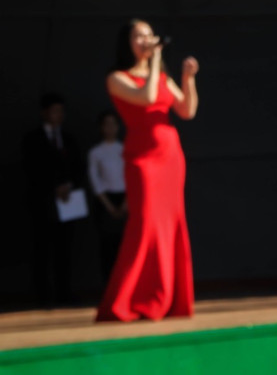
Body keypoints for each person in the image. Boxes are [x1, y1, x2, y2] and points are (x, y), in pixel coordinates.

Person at [96, 19, 199, 322]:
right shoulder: (117, 78)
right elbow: (147, 98)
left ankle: (168, 297)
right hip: (143, 157)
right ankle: (129, 299)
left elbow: (187, 110)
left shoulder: (162, 76)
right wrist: (154, 62)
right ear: (126, 43)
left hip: (170, 157)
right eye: (138, 36)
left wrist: (187, 78)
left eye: (148, 35)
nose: (145, 40)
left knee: (171, 224)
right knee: (145, 225)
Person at [23, 93, 85, 306]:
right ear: (44, 113)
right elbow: (31, 169)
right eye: (54, 111)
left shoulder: (68, 139)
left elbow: (78, 167)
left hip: (68, 203)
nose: (58, 115)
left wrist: (69, 185)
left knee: (64, 249)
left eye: (61, 111)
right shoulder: (32, 139)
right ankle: (42, 295)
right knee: (42, 249)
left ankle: (64, 292)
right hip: (43, 203)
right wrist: (52, 188)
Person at [88, 110, 127, 282]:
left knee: (125, 245)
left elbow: (131, 176)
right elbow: (95, 180)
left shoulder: (125, 149)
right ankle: (110, 285)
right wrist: (109, 206)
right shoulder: (96, 152)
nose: (110, 128)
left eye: (113, 124)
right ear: (101, 127)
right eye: (106, 124)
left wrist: (125, 203)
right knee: (107, 246)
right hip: (105, 202)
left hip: (125, 201)